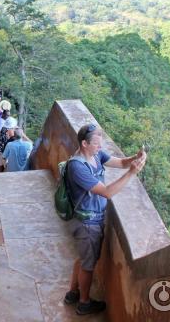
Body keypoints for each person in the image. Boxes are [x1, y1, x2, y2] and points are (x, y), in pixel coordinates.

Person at [64, 124, 146, 315]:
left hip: (90, 220)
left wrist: (135, 158)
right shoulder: (77, 166)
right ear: (84, 144)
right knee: (88, 265)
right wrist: (132, 173)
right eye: (96, 144)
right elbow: (108, 192)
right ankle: (84, 303)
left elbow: (121, 162)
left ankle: (72, 293)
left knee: (83, 258)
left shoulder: (96, 155)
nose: (100, 147)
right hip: (87, 223)